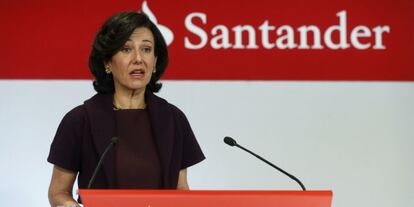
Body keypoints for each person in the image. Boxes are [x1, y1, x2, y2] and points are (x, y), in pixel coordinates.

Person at [47, 11, 205, 207]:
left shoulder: (173, 119)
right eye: (126, 49)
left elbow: (181, 189)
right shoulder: (80, 120)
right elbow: (58, 192)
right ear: (107, 62)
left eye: (146, 49)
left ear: (155, 62)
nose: (138, 58)